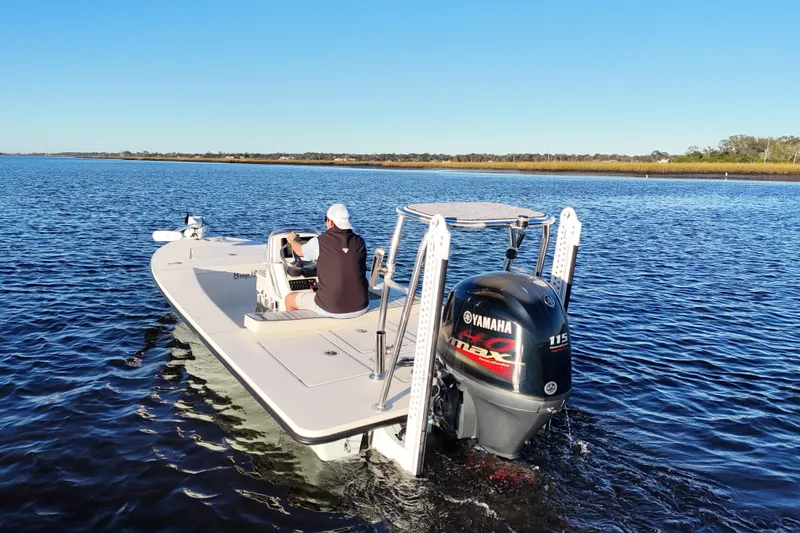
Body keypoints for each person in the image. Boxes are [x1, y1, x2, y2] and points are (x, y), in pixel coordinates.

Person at [284, 204, 370, 318]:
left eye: (326, 219)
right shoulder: (360, 241)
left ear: (331, 222)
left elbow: (300, 251)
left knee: (289, 299)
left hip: (331, 308)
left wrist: (292, 240)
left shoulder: (320, 242)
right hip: (361, 306)